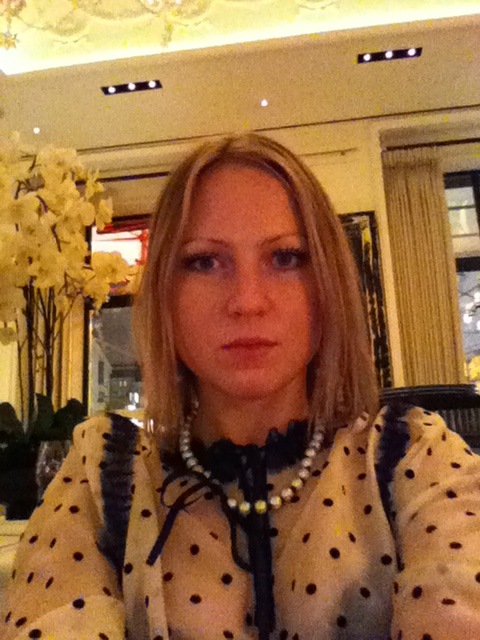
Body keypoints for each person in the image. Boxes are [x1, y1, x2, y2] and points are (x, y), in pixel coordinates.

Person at [1, 133, 480, 640]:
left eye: (286, 258)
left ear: (329, 284)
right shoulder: (101, 479)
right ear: (165, 294)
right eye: (204, 262)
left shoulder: (413, 457)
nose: (247, 301)